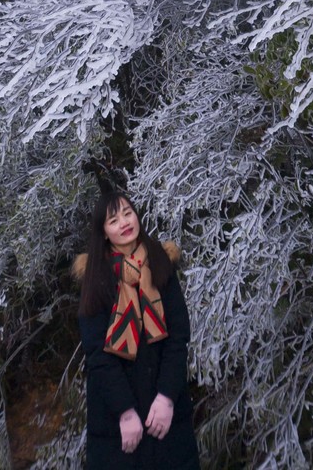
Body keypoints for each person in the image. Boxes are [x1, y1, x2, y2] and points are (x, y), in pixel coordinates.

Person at [75, 190, 202, 469]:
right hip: (116, 421)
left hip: (164, 413)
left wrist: (167, 397)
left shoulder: (160, 264)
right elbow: (97, 353)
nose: (124, 222)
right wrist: (125, 411)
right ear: (104, 232)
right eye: (113, 219)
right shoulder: (95, 279)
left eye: (127, 213)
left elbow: (178, 336)